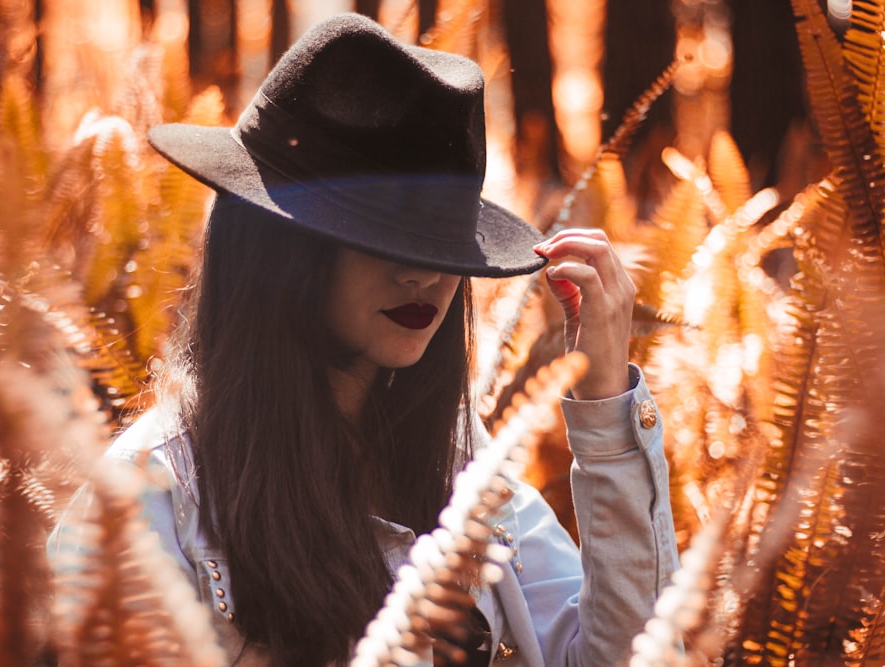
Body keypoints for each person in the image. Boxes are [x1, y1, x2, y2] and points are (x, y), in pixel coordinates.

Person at [49, 12, 677, 667]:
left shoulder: (459, 461)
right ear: (279, 241)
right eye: (378, 235)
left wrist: (606, 404)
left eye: (439, 240)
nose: (426, 274)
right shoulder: (148, 499)